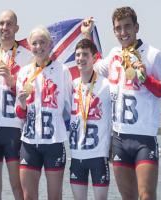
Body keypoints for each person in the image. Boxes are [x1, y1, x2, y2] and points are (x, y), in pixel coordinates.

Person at [82, 7, 161, 200]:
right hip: (119, 140)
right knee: (128, 197)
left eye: (127, 27)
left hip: (144, 139)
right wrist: (88, 34)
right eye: (118, 28)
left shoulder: (152, 55)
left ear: (136, 27)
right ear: (114, 31)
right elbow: (98, 64)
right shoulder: (115, 54)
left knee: (147, 195)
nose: (123, 32)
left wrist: (147, 80)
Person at [16, 26, 72, 200]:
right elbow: (19, 113)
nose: (38, 47)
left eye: (42, 42)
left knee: (54, 196)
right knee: (29, 196)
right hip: (29, 142)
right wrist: (23, 104)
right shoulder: (24, 72)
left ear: (50, 45)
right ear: (29, 46)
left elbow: (69, 109)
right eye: (34, 43)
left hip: (53, 142)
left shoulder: (62, 71)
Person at [0, 10, 32, 200]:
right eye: (2, 24)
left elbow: (31, 92)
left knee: (17, 186)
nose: (5, 28)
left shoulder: (27, 56)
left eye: (9, 24)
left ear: (16, 28)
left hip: (15, 128)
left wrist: (12, 82)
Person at [68, 38, 111, 200]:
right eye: (78, 55)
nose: (81, 58)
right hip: (77, 155)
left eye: (85, 55)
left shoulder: (106, 85)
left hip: (98, 155)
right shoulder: (71, 85)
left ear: (94, 58)